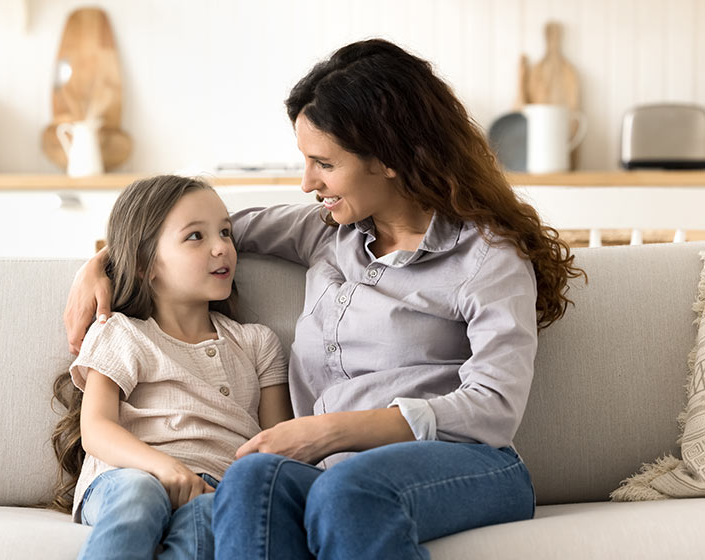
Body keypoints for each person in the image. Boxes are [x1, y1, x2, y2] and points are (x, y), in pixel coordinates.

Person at [64, 39, 585, 559]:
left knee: (348, 489)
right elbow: (194, 232)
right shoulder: (328, 231)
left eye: (323, 163)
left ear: (388, 158)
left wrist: (328, 432)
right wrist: (108, 260)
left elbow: (494, 408)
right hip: (332, 468)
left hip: (465, 463)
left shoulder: (488, 258)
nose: (307, 181)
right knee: (250, 481)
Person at [50, 175, 292, 560]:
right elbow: (96, 429)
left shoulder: (256, 343)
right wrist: (167, 469)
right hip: (127, 477)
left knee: (209, 522)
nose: (222, 248)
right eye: (196, 236)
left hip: (216, 490)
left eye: (226, 232)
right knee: (140, 493)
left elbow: (277, 446)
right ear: (146, 264)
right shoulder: (122, 332)